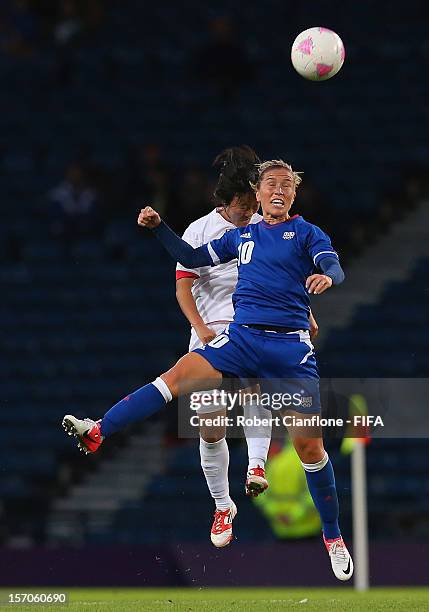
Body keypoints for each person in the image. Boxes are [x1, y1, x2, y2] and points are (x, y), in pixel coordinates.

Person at [63, 156, 353, 581]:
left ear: (294, 193)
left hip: (289, 350)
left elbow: (334, 264)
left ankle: (333, 536)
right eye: (270, 182)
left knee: (311, 448)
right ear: (257, 192)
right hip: (241, 338)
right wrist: (159, 227)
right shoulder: (242, 238)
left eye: (286, 184)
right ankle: (98, 431)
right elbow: (191, 255)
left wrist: (327, 277)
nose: (278, 189)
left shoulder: (307, 232)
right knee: (176, 378)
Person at [175, 146, 269, 547]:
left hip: (251, 324)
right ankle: (221, 506)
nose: (249, 212)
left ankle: (257, 466)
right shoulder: (198, 231)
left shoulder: (265, 226)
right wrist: (199, 328)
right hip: (209, 331)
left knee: (253, 387)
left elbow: (283, 275)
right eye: (243, 206)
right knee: (211, 428)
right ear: (226, 201)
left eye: (253, 205)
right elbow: (184, 284)